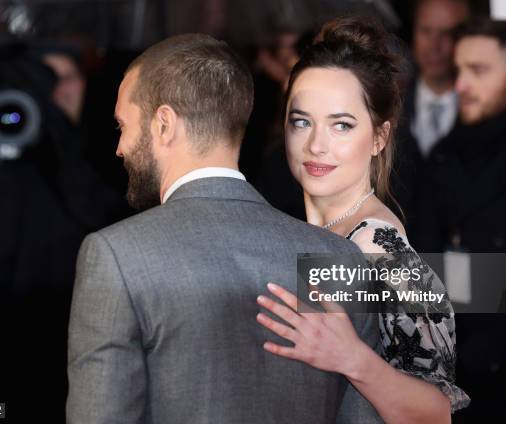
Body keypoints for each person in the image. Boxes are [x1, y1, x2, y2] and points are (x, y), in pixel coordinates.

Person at [67, 33, 383, 423]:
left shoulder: (116, 256)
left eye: (123, 126)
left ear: (164, 124)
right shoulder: (340, 257)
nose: (119, 147)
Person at [254, 16, 469, 423]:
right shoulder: (295, 229)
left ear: (379, 138)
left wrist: (353, 359)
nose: (316, 145)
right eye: (302, 121)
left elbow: (437, 413)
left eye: (342, 125)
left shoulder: (381, 248)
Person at [417, 18, 506, 420]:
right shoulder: (442, 157)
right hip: (448, 385)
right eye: (460, 71)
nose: (462, 86)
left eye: (479, 71)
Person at [393, 0, 470, 235]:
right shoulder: (388, 109)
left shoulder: (489, 117)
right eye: (426, 31)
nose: (435, 46)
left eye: (448, 33)